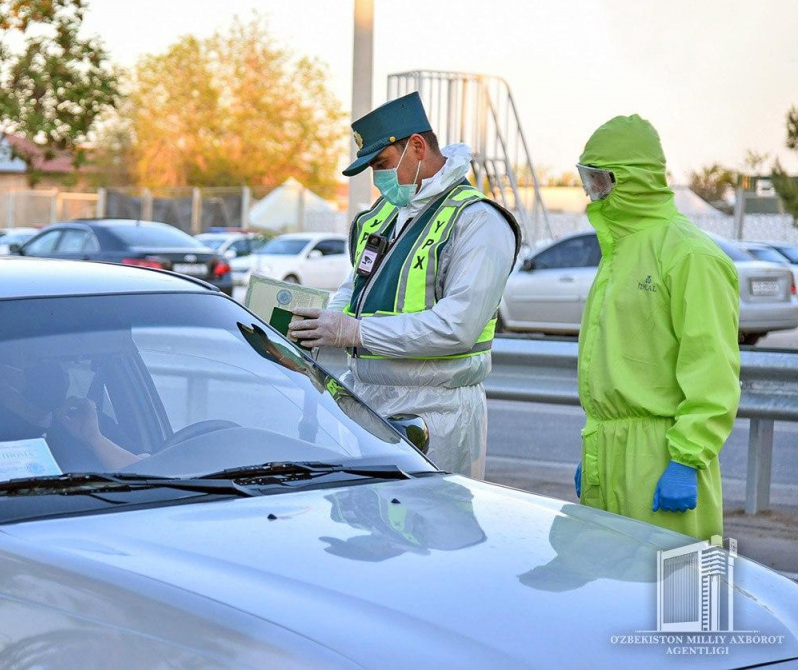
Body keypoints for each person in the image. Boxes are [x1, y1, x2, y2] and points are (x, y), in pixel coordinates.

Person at [288, 92, 521, 479]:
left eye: (381, 164)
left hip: (438, 411)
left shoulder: (477, 220)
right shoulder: (384, 215)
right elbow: (355, 286)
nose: (377, 178)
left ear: (416, 147)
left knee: (431, 530)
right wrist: (322, 321)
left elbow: (457, 327)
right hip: (365, 397)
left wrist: (353, 331)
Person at [573, 114, 740, 541]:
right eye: (587, 180)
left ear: (632, 179)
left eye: (600, 181)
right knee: (611, 595)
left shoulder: (689, 255)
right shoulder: (619, 253)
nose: (593, 193)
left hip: (663, 456)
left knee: (669, 597)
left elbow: (713, 369)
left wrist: (687, 458)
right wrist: (599, 449)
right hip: (608, 451)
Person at [0, 350, 143, 471]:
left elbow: (150, 475)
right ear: (4, 375)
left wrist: (95, 439)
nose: (55, 370)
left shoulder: (86, 419)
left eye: (56, 360)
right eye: (38, 361)